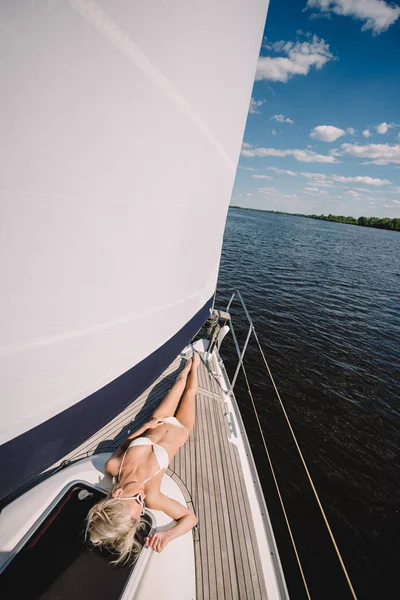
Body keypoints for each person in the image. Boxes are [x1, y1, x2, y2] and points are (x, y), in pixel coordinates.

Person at [86, 354, 200, 564]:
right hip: (181, 429)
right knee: (191, 392)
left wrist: (143, 429)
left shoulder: (114, 466)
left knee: (181, 381)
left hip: (159, 418)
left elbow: (123, 446)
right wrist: (168, 535)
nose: (142, 498)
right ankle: (197, 365)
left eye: (137, 499)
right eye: (142, 504)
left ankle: (189, 362)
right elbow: (190, 519)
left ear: (118, 492)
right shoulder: (152, 496)